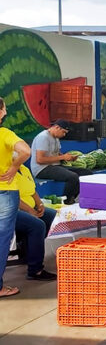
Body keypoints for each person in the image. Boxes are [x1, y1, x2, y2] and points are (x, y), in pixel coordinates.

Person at [1, 96, 32, 298]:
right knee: (2, 239)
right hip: (4, 191)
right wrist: (14, 167)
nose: (5, 112)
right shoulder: (4, 133)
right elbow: (25, 151)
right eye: (3, 109)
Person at [31, 120, 93, 205]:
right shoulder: (43, 137)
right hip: (42, 169)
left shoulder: (56, 138)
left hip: (54, 165)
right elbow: (40, 160)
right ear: (57, 127)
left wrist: (68, 158)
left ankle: (74, 198)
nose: (64, 135)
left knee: (86, 172)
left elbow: (57, 154)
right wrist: (62, 157)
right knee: (73, 177)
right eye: (63, 132)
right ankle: (66, 201)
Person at [15, 163, 57, 281]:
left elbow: (33, 191)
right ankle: (35, 270)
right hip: (12, 210)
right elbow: (12, 197)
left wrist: (40, 205)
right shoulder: (6, 170)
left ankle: (29, 250)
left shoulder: (24, 169)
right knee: (37, 225)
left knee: (51, 215)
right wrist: (30, 211)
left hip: (30, 207)